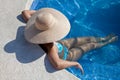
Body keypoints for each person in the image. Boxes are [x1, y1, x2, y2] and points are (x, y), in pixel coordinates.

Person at [21, 8, 118, 75]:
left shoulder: (35, 27)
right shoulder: (49, 47)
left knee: (87, 39)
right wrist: (75, 63)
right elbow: (57, 64)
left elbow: (24, 12)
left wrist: (42, 17)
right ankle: (107, 42)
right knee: (91, 45)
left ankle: (104, 38)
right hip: (67, 55)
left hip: (61, 44)